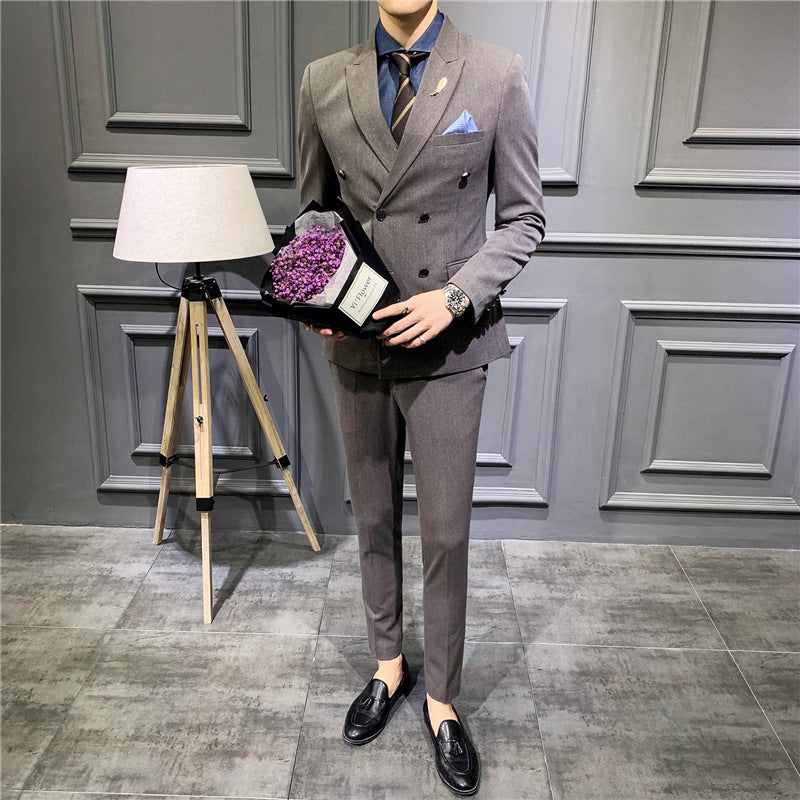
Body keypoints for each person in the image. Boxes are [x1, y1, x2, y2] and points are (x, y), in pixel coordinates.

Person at [297, 1, 545, 794]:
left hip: (449, 345)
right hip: (361, 342)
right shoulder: (322, 80)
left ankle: (442, 699)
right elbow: (314, 212)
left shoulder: (496, 73)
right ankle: (388, 666)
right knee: (372, 518)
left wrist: (457, 297)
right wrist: (319, 291)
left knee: (444, 533)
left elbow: (525, 218)